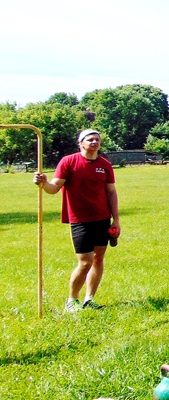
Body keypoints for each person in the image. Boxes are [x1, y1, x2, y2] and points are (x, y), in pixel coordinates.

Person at [33, 129, 120, 312]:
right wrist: (43, 183)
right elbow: (54, 188)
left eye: (97, 139)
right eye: (90, 140)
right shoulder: (69, 161)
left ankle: (90, 299)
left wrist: (116, 219)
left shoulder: (104, 165)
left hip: (102, 218)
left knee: (98, 259)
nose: (94, 142)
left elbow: (111, 192)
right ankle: (72, 301)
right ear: (81, 143)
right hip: (79, 219)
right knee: (85, 261)